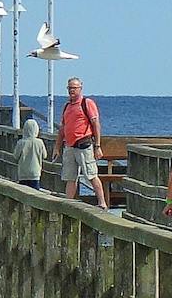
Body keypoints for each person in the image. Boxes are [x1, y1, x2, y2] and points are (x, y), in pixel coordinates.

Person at [58, 77, 107, 207]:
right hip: (69, 146)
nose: (71, 90)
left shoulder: (87, 103)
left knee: (91, 174)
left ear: (80, 88)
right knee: (70, 177)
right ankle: (68, 204)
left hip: (84, 144)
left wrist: (97, 145)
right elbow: (63, 127)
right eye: (69, 88)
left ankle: (102, 202)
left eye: (74, 88)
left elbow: (96, 123)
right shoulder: (67, 106)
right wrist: (57, 147)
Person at [15, 117, 47, 188]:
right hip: (35, 174)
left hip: (23, 174)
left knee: (22, 195)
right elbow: (45, 155)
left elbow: (15, 156)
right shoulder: (40, 142)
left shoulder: (20, 142)